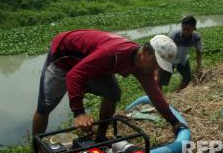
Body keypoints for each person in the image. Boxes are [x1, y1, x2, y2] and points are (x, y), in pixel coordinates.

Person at [32, 29, 184, 141]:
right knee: (45, 106)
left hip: (92, 62)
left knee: (113, 93)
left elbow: (155, 95)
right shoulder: (113, 53)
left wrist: (175, 123)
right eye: (156, 62)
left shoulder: (144, 67)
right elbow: (74, 74)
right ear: (145, 52)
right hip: (64, 54)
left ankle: (101, 136)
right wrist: (79, 113)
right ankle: (37, 149)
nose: (156, 68)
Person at [158, 16, 203, 90]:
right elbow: (164, 50)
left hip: (183, 60)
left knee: (187, 79)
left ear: (194, 29)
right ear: (181, 27)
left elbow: (199, 52)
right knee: (161, 81)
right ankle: (159, 97)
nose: (185, 32)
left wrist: (199, 67)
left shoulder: (196, 38)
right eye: (184, 29)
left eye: (188, 30)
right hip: (169, 60)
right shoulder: (173, 35)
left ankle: (178, 92)